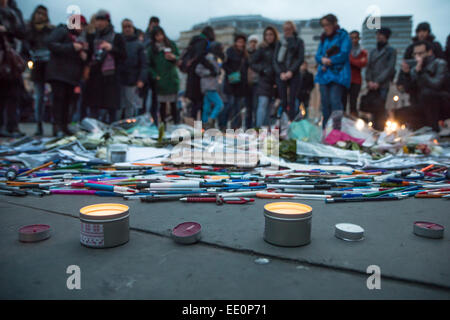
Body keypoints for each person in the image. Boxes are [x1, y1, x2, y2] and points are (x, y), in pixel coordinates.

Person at [45, 15, 87, 137]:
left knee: (68, 102)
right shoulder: (62, 31)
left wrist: (81, 54)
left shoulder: (78, 38)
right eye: (81, 25)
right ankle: (57, 126)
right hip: (59, 74)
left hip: (71, 77)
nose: (82, 28)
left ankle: (64, 126)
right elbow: (50, 43)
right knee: (59, 101)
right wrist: (71, 47)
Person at [84, 9, 126, 124]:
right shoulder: (92, 37)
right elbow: (88, 56)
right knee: (94, 109)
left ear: (108, 21)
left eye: (102, 20)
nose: (99, 23)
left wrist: (111, 48)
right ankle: (94, 132)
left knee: (111, 110)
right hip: (95, 77)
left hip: (111, 78)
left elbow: (123, 55)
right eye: (97, 20)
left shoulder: (116, 37)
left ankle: (111, 132)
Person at [399, 41, 448, 132]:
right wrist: (406, 74)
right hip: (421, 101)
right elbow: (409, 89)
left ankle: (434, 130)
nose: (418, 56)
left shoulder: (439, 63)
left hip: (440, 101)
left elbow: (436, 84)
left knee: (427, 94)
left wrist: (421, 72)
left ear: (429, 52)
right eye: (415, 54)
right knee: (401, 112)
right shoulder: (416, 67)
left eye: (421, 53)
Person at [315, 14, 351, 129]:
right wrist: (322, 59)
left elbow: (344, 53)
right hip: (324, 76)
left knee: (335, 101)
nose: (325, 28)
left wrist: (329, 60)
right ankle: (325, 131)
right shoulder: (323, 38)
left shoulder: (343, 36)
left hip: (338, 75)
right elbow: (318, 55)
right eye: (323, 25)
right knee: (325, 105)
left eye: (327, 25)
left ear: (334, 24)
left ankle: (336, 131)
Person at [25, 5, 54, 136]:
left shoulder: (49, 31)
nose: (40, 16)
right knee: (39, 97)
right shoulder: (30, 30)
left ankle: (54, 123)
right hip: (37, 65)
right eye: (38, 13)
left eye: (43, 14)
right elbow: (26, 47)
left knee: (52, 97)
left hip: (49, 66)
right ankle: (39, 124)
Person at [0, 0, 26, 137]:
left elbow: (22, 32)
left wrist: (8, 30)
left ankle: (12, 126)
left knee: (14, 94)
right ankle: (3, 126)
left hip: (13, 58)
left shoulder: (14, 12)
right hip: (3, 56)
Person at [365, 27, 397, 130]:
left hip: (382, 85)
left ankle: (380, 130)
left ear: (386, 37)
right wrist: (369, 81)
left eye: (381, 34)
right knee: (372, 109)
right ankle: (373, 130)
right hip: (372, 85)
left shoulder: (391, 51)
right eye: (377, 34)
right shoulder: (373, 51)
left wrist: (378, 82)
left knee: (380, 108)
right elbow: (368, 67)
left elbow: (390, 68)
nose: (378, 36)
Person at [147, 26, 180, 126]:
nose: (160, 37)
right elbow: (149, 65)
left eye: (161, 34)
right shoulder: (152, 49)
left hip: (172, 79)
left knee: (174, 104)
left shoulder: (171, 45)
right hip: (161, 80)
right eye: (157, 35)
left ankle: (176, 124)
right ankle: (163, 126)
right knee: (162, 105)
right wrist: (155, 76)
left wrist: (174, 57)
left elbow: (179, 58)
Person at [183, 26, 216, 121]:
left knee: (194, 104)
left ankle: (193, 127)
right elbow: (200, 57)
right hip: (198, 76)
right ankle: (198, 127)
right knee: (200, 104)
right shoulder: (204, 42)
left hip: (191, 75)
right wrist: (211, 68)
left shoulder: (194, 41)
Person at [273, 21, 305, 122]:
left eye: (289, 29)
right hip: (281, 74)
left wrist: (291, 71)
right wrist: (280, 72)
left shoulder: (299, 41)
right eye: (285, 29)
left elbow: (300, 58)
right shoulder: (280, 42)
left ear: (293, 29)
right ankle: (282, 121)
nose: (287, 31)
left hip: (294, 74)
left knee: (292, 100)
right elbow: (275, 60)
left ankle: (292, 121)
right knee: (283, 100)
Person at [118, 18, 147, 119]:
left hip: (133, 79)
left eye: (129, 26)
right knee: (119, 105)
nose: (127, 29)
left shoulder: (139, 45)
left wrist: (141, 79)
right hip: (119, 79)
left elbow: (144, 64)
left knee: (130, 106)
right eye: (125, 27)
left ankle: (128, 129)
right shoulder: (118, 42)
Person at [250, 26, 278, 128]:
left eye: (271, 34)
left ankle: (266, 129)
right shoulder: (262, 48)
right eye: (266, 35)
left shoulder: (278, 47)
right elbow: (252, 62)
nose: (269, 37)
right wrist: (263, 69)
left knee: (270, 107)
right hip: (264, 80)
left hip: (275, 81)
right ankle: (258, 128)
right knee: (262, 104)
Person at [220, 33, 248, 130]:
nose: (240, 44)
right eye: (239, 42)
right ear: (235, 42)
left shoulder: (245, 53)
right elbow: (224, 65)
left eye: (242, 42)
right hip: (230, 82)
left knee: (238, 107)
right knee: (229, 104)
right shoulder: (230, 51)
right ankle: (222, 124)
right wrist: (231, 73)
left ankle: (235, 127)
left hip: (240, 84)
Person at [195, 41, 224, 129]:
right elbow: (198, 70)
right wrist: (210, 72)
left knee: (206, 106)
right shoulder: (207, 58)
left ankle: (204, 124)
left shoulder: (217, 59)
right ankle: (210, 120)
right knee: (219, 105)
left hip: (212, 85)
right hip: (208, 86)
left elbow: (218, 69)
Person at [341, 30, 367, 117]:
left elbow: (362, 64)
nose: (353, 40)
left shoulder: (363, 52)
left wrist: (349, 60)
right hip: (345, 80)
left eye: (355, 38)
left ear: (359, 39)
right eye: (351, 38)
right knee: (343, 103)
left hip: (356, 81)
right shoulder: (344, 50)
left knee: (353, 103)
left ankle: (353, 124)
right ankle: (343, 123)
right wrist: (356, 61)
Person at [142, 16, 159, 117]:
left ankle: (153, 118)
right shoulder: (145, 36)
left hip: (154, 72)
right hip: (146, 71)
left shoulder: (157, 38)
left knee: (154, 100)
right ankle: (145, 117)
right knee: (144, 99)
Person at [246, 34, 259, 129]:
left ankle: (254, 127)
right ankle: (248, 127)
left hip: (256, 83)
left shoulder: (259, 54)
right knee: (248, 108)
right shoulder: (245, 54)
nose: (253, 44)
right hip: (246, 84)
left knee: (255, 106)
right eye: (251, 42)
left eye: (255, 42)